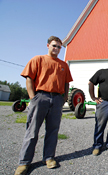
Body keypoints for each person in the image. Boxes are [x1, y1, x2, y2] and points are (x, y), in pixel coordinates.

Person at [14, 36, 73, 175]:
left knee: (53, 130)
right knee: (32, 130)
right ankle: (24, 162)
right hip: (40, 97)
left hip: (57, 99)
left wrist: (64, 98)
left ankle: (49, 158)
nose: (57, 49)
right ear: (48, 46)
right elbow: (29, 78)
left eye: (59, 47)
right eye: (54, 45)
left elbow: (66, 82)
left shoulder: (63, 65)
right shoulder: (38, 59)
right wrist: (32, 97)